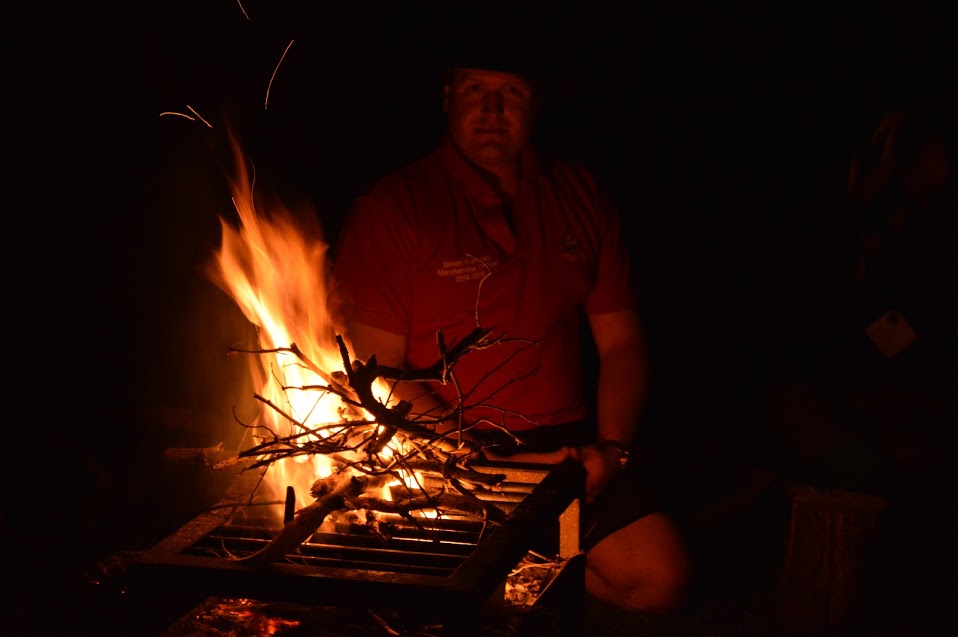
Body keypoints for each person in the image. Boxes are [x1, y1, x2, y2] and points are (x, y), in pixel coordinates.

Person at [328, 28, 690, 617]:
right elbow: (377, 375)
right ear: (447, 97)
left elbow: (622, 343)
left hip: (563, 453)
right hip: (442, 453)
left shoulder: (579, 193)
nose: (492, 110)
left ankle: (545, 565)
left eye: (512, 92)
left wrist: (612, 452)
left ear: (537, 101)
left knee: (659, 580)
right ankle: (518, 572)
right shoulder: (395, 206)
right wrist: (476, 463)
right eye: (475, 88)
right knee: (466, 597)